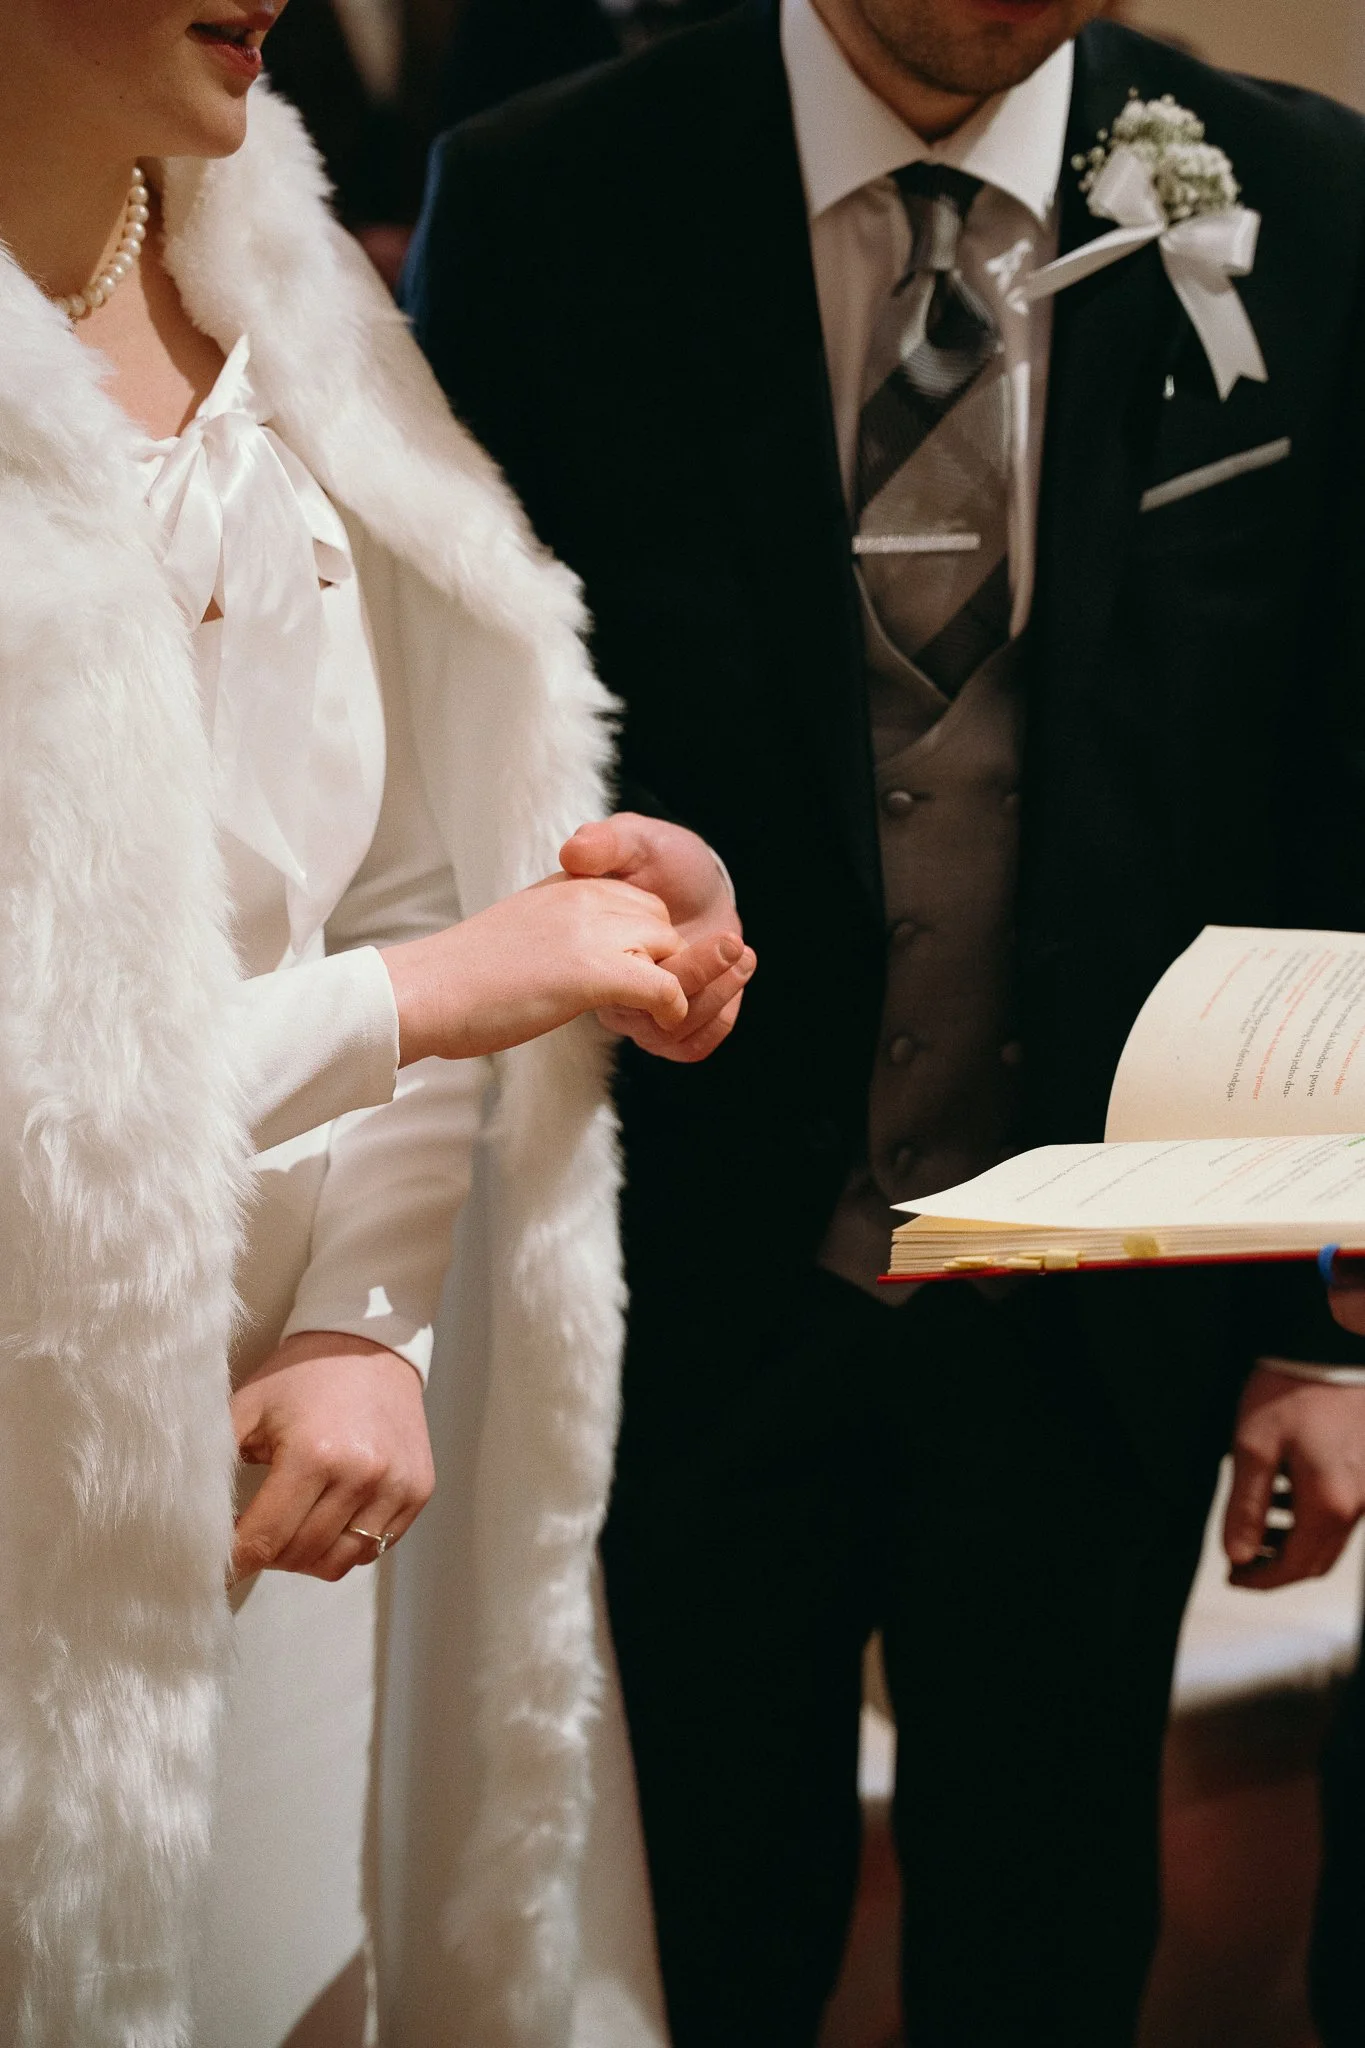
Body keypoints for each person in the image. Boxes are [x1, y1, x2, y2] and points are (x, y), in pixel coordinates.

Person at [403, 0, 1365, 2040]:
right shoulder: (549, 197)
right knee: (689, 1935)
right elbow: (439, 766)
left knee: (1048, 1932)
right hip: (684, 1277)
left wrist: (1314, 1317)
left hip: (1103, 1295)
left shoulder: (1300, 189)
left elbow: (1334, 769)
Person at [0, 5, 755, 2042]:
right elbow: (409, 970)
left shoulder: (285, 271)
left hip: (332, 1453)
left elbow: (426, 865)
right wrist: (432, 994)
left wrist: (367, 1317)